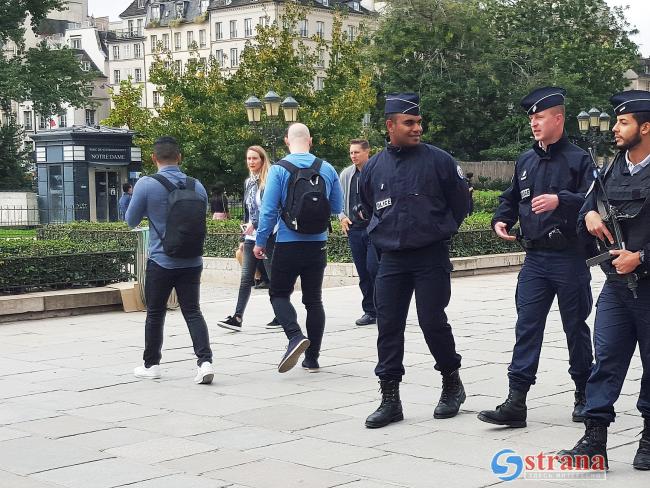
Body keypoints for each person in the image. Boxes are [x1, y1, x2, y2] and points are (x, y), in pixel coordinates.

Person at [478, 87, 595, 428]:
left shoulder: (579, 159)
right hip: (534, 260)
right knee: (527, 327)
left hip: (569, 257)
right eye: (531, 117)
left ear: (558, 118)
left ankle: (583, 392)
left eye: (540, 116)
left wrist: (562, 200)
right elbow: (512, 197)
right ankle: (516, 401)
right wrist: (501, 217)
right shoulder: (526, 160)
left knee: (575, 327)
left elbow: (595, 201)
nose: (534, 122)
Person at [358, 93, 469, 429]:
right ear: (390, 125)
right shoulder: (374, 165)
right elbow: (366, 204)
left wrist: (439, 229)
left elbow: (460, 203)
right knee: (388, 326)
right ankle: (390, 398)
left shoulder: (439, 161)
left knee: (431, 321)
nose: (417, 128)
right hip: (391, 257)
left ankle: (451, 381)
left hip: (429, 255)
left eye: (419, 122)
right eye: (409, 122)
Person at [559, 90, 650, 471]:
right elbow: (586, 211)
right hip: (616, 286)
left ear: (645, 128)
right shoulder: (611, 168)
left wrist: (642, 257)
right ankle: (595, 441)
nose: (614, 128)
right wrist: (589, 218)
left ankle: (648, 439)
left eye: (623, 122)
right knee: (606, 360)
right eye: (615, 121)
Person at [254, 123, 344, 373]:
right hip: (317, 244)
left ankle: (294, 336)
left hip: (287, 243)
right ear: (311, 141)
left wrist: (260, 242)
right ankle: (312, 358)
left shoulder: (279, 170)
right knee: (314, 300)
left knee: (279, 294)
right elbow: (336, 207)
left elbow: (269, 210)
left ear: (286, 141)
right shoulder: (326, 168)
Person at [126, 136, 214, 385]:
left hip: (161, 261)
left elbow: (130, 220)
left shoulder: (146, 184)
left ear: (153, 158)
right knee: (193, 311)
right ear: (180, 157)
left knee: (155, 313)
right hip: (192, 259)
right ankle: (205, 361)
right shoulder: (197, 186)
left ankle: (151, 364)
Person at [217, 146, 278, 331]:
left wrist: (257, 224)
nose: (251, 162)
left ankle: (282, 315)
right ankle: (237, 317)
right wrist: (243, 237)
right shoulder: (248, 182)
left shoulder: (269, 181)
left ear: (262, 160)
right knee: (246, 278)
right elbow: (248, 212)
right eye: (248, 159)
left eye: (255, 158)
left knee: (273, 277)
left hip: (268, 234)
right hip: (252, 235)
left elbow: (270, 210)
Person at [339, 139, 379, 326]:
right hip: (354, 229)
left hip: (374, 229)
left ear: (367, 152)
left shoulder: (377, 171)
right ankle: (370, 311)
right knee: (363, 272)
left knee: (374, 268)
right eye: (351, 152)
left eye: (356, 152)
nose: (353, 156)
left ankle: (384, 307)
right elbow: (337, 198)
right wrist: (341, 217)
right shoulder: (347, 174)